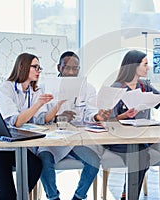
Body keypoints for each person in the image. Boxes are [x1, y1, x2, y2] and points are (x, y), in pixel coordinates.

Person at [106, 50, 160, 200]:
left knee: (147, 152)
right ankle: (128, 194)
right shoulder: (116, 87)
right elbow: (110, 119)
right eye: (145, 64)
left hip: (142, 136)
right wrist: (125, 115)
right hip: (121, 138)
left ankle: (129, 194)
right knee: (141, 156)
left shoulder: (144, 85)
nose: (148, 67)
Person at [0, 52, 61, 200]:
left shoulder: (33, 91)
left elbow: (40, 119)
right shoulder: (5, 89)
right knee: (8, 196)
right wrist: (38, 104)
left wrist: (57, 106)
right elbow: (16, 121)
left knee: (36, 166)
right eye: (35, 67)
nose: (39, 71)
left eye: (40, 68)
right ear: (22, 66)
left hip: (17, 148)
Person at [37, 51, 111, 200]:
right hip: (50, 141)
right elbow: (39, 116)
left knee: (94, 162)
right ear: (59, 67)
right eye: (67, 67)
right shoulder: (43, 87)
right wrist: (58, 117)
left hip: (75, 140)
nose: (71, 72)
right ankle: (53, 197)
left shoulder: (87, 88)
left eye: (75, 68)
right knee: (44, 160)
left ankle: (78, 197)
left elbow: (91, 110)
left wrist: (98, 116)